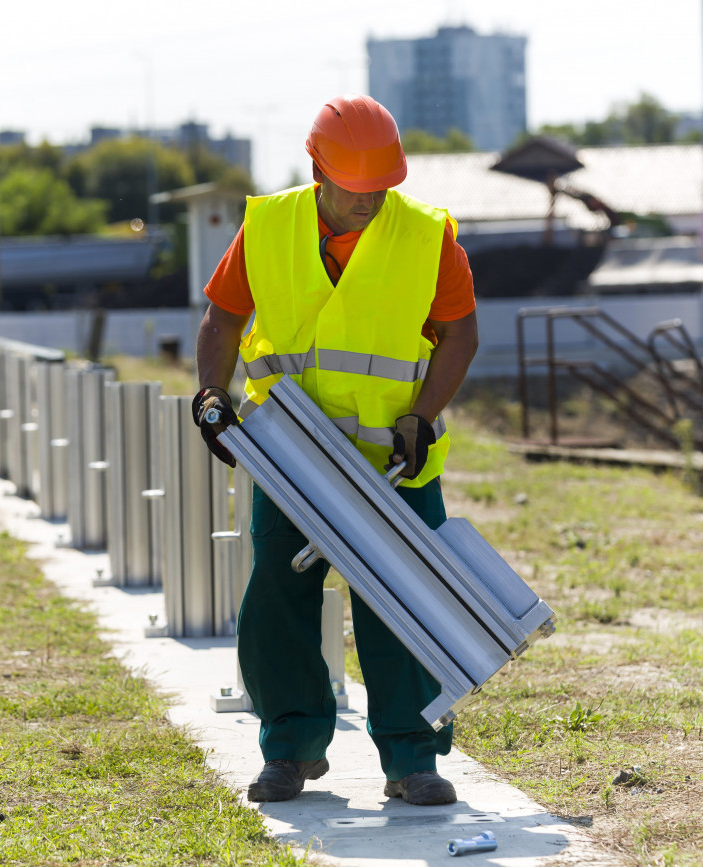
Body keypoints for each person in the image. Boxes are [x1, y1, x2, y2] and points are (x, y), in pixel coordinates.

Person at [192, 94, 479, 806]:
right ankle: (289, 747)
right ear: (319, 170)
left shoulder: (426, 236)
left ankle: (412, 758)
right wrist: (209, 393)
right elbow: (223, 319)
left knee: (405, 605)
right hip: (293, 459)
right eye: (355, 188)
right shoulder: (268, 227)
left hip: (394, 458)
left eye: (382, 187)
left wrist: (422, 415)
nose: (369, 201)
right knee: (276, 598)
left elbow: (461, 335)